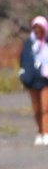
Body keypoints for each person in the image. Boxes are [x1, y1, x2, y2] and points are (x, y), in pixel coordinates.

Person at [18, 16, 48, 145]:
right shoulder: (29, 43)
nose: (38, 31)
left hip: (46, 80)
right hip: (31, 81)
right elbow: (23, 59)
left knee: (46, 108)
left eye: (40, 29)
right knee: (36, 110)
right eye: (35, 29)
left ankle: (46, 133)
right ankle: (39, 132)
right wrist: (23, 75)